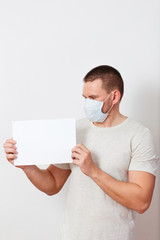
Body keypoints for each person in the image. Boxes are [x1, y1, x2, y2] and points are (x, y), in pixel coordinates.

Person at [3, 65, 159, 240]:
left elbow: (141, 202)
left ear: (114, 96)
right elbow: (53, 184)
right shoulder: (76, 129)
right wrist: (27, 165)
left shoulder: (138, 135)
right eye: (85, 97)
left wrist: (93, 171)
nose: (87, 103)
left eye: (93, 98)